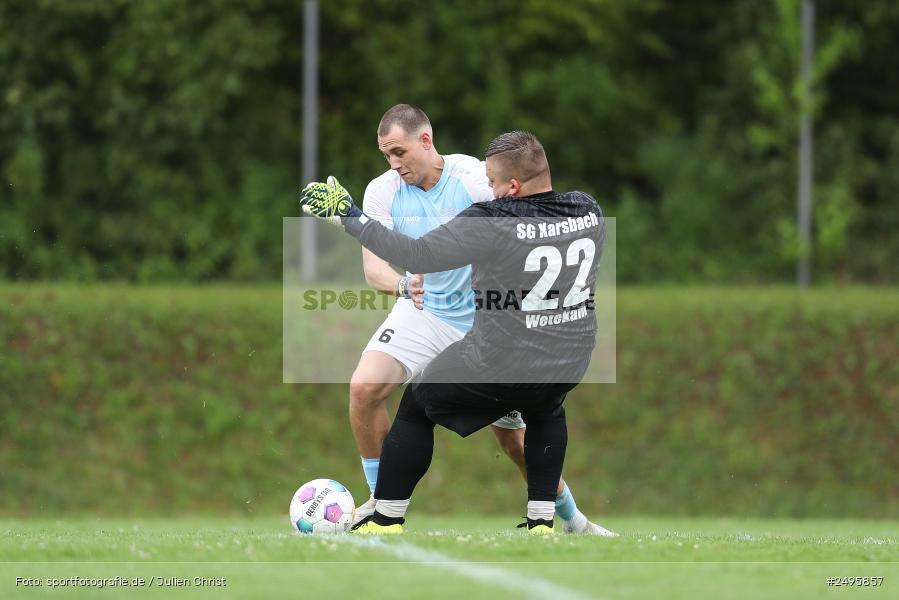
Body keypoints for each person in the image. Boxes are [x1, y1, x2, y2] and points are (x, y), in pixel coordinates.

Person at [301, 130, 611, 535]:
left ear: (512, 185)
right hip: (568, 357)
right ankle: (541, 522)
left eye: (494, 184)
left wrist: (350, 217)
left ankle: (387, 518)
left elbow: (417, 255)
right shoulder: (587, 209)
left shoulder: (492, 219)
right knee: (547, 407)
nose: (490, 191)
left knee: (417, 402)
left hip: (501, 356)